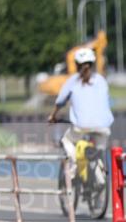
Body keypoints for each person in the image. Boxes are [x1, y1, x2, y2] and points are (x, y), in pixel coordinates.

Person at [47, 48, 114, 182]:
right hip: (104, 126)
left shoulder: (73, 80)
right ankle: (100, 178)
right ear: (93, 63)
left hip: (81, 126)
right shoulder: (101, 80)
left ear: (76, 64)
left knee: (67, 140)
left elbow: (60, 101)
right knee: (99, 151)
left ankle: (74, 163)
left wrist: (53, 116)